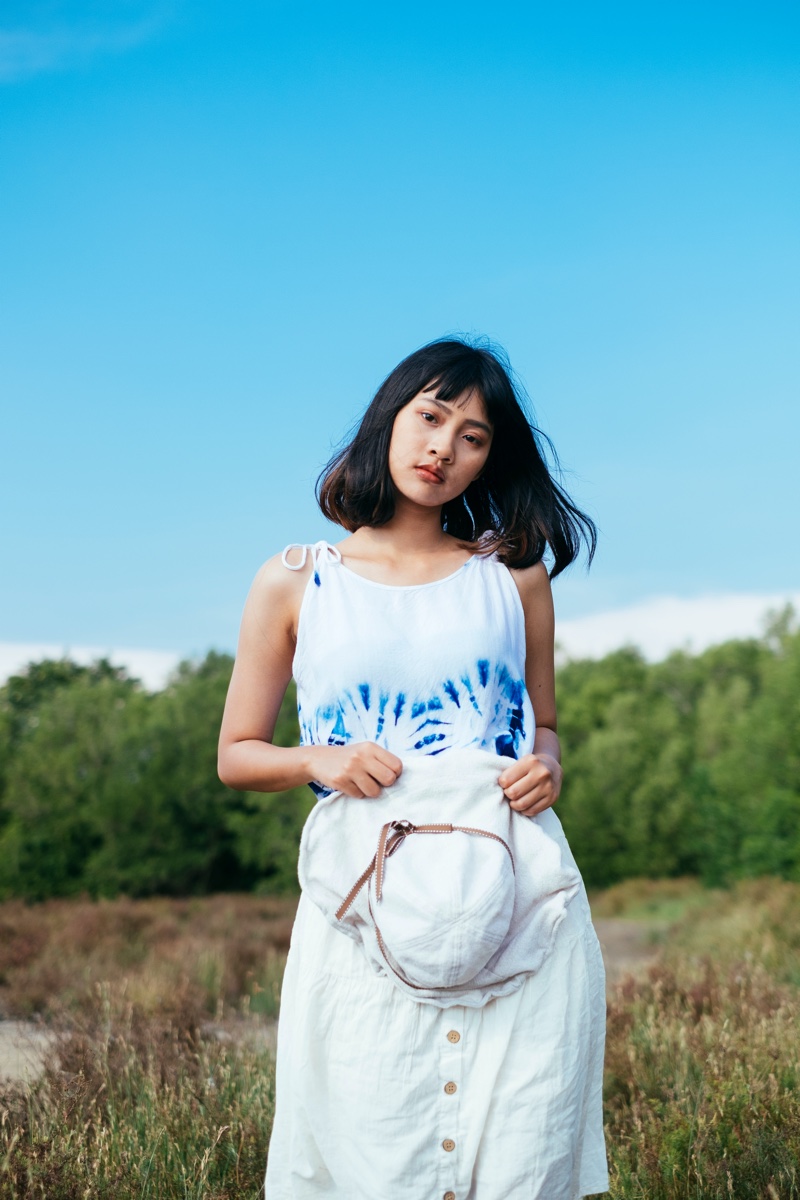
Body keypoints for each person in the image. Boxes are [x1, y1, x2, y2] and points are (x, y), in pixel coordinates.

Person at [218, 337, 609, 1199]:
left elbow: (543, 725)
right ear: (389, 420)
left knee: (518, 1157)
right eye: (431, 417)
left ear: (489, 457)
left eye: (473, 436)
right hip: (362, 906)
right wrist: (322, 757)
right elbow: (237, 755)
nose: (444, 448)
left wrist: (548, 765)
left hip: (518, 900)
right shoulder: (295, 581)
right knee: (369, 1156)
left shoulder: (513, 577)